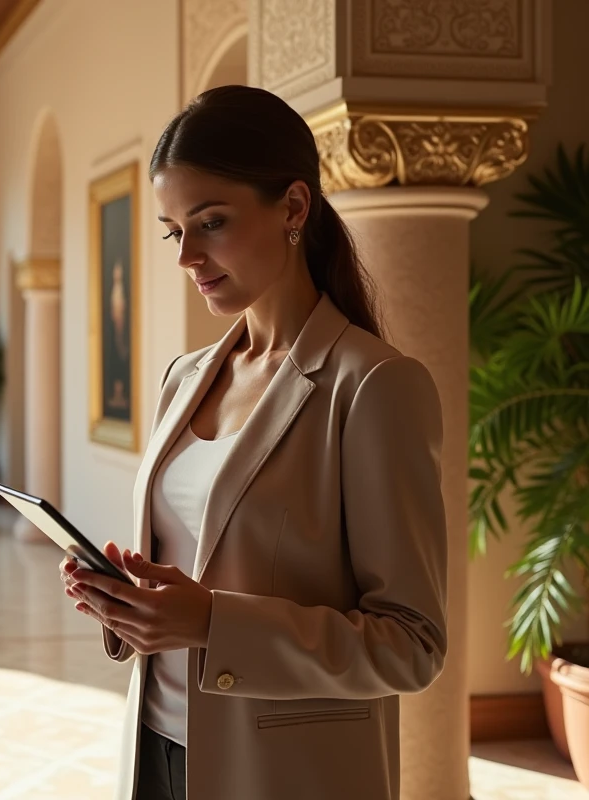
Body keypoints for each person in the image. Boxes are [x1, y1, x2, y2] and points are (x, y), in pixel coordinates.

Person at [58, 85, 448, 800]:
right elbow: (190, 572)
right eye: (174, 231)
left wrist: (213, 621)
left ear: (294, 207)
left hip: (283, 776)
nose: (187, 256)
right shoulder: (184, 378)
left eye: (211, 222)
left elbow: (411, 646)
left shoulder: (373, 386)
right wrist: (128, 604)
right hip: (154, 750)